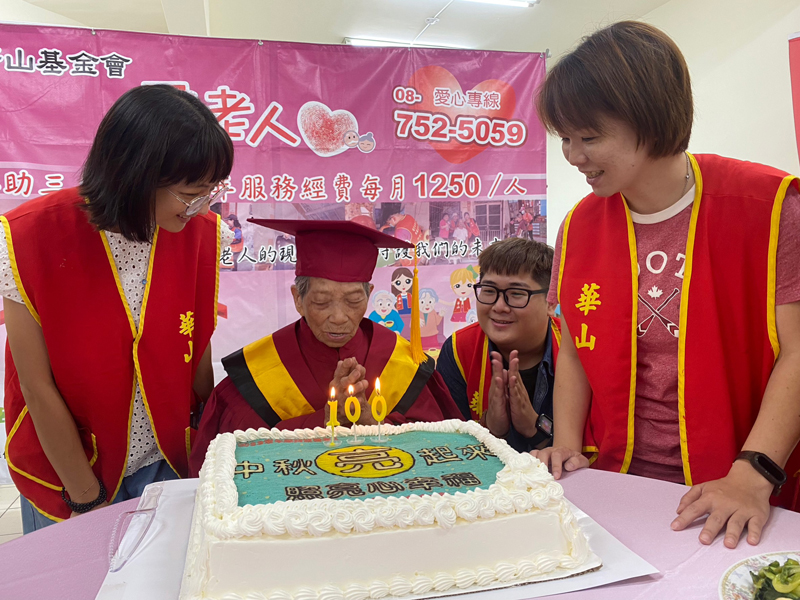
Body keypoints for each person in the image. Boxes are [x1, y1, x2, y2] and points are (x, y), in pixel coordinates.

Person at [532, 21, 800, 549]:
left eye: (589, 137)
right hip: (617, 483)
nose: (573, 155)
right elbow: (575, 349)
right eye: (565, 138)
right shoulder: (580, 226)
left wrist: (754, 471)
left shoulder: (768, 208)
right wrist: (566, 445)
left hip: (739, 488)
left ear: (651, 119)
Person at [2, 84, 234, 532]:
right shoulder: (29, 236)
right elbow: (34, 385)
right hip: (72, 472)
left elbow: (196, 343)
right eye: (191, 192)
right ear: (135, 175)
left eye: (210, 191)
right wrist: (84, 497)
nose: (200, 206)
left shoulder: (200, 231)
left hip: (165, 459)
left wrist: (209, 442)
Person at [190, 220, 463, 475]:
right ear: (298, 299)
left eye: (353, 301)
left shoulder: (402, 362)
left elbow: (442, 452)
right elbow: (230, 464)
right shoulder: (258, 371)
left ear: (369, 294)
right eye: (321, 302)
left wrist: (375, 426)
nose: (339, 317)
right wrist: (326, 420)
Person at [437, 238, 560, 453]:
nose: (499, 306)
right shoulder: (458, 350)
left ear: (551, 302)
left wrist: (535, 427)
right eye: (489, 291)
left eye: (517, 294)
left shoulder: (576, 348)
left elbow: (590, 445)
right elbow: (447, 448)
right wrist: (490, 428)